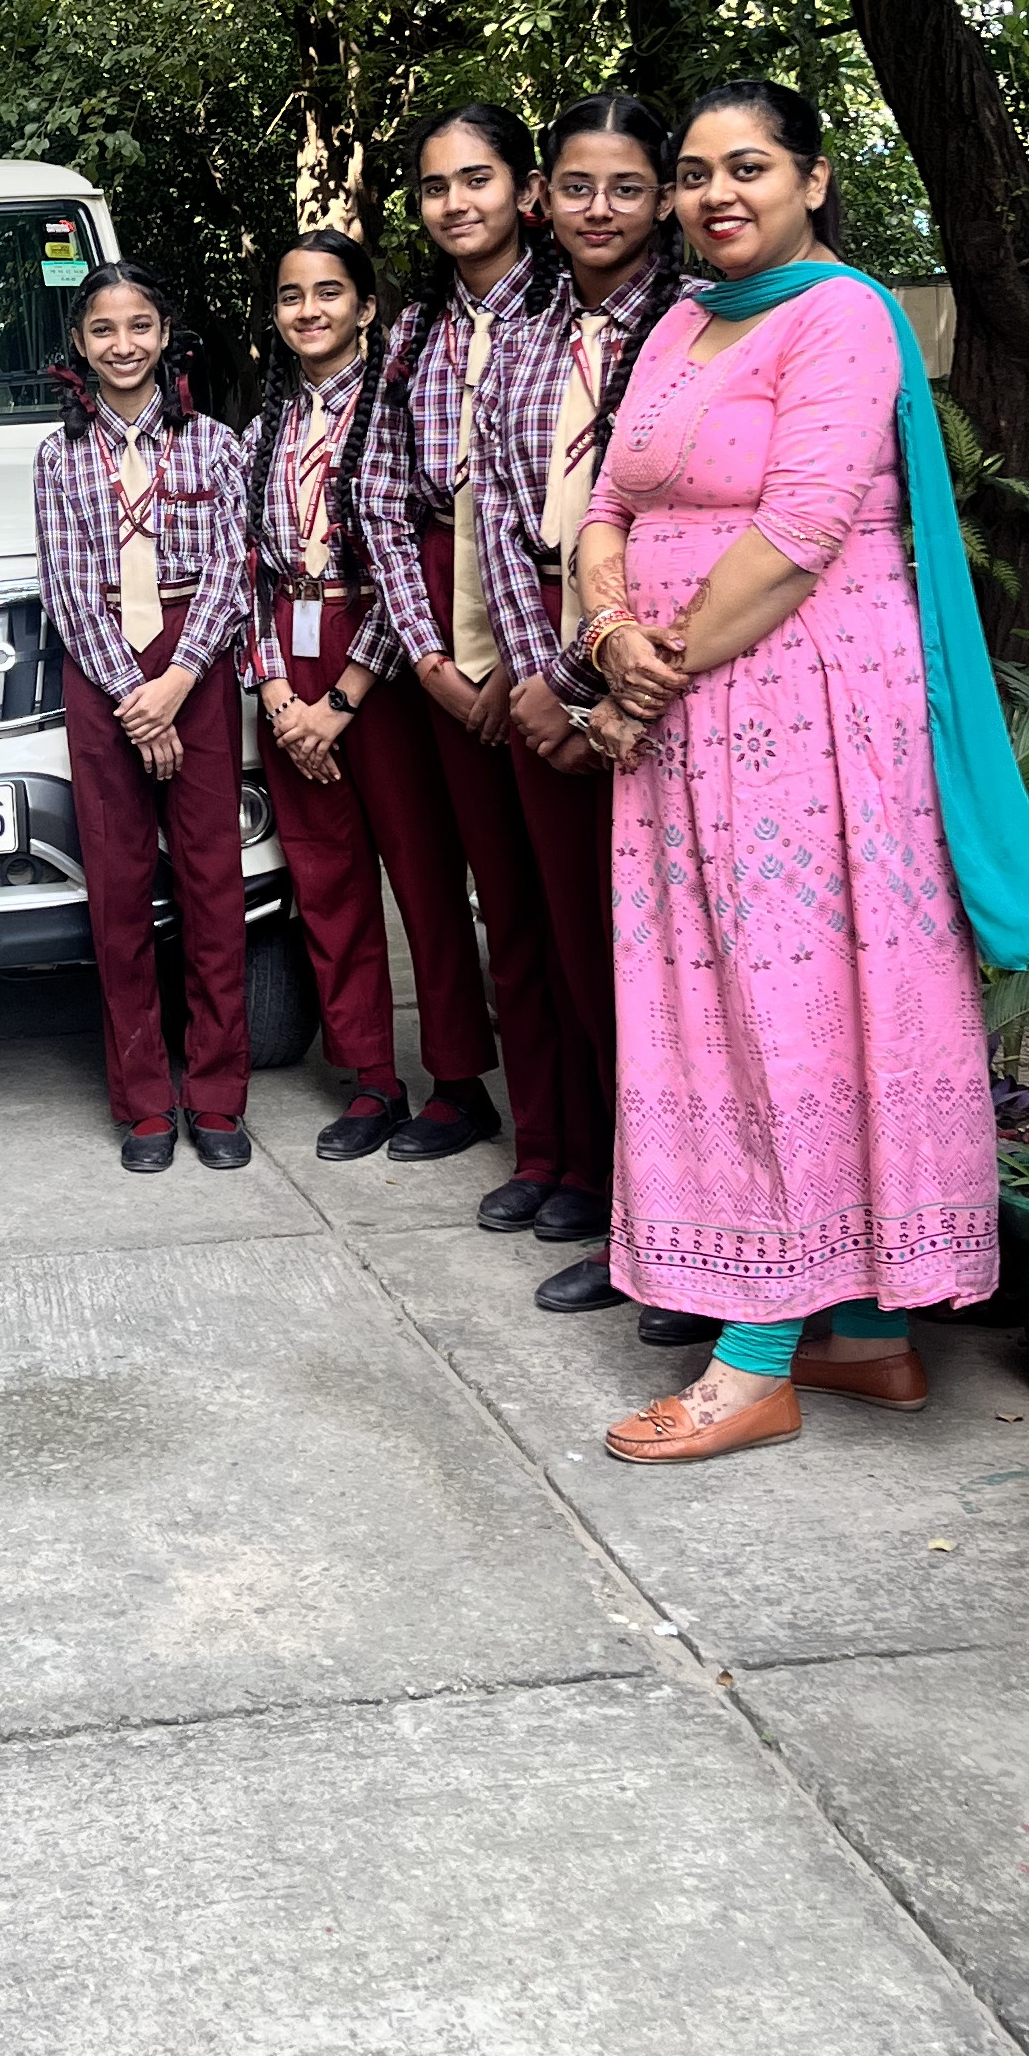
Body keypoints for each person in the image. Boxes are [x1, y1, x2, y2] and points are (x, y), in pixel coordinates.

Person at [572, 80, 1029, 1463]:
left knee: (783, 1010)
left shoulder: (843, 316)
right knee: (729, 999)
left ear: (814, 177)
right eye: (694, 173)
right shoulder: (683, 320)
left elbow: (799, 533)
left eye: (747, 167)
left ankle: (754, 1360)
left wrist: (654, 669)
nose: (715, 194)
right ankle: (861, 1335)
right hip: (686, 719)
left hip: (806, 720)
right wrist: (611, 631)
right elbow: (607, 504)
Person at [468, 94, 705, 1336]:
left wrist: (582, 682)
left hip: (664, 683)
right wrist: (536, 679)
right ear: (542, 199)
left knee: (665, 976)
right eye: (575, 186)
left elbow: (684, 527)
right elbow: (506, 520)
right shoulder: (523, 334)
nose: (598, 209)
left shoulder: (696, 322)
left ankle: (685, 1231)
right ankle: (626, 1211)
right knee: (578, 963)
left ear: (663, 197)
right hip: (545, 681)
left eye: (624, 186)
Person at [243, 232, 502, 1163]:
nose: (308, 310)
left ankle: (459, 1083)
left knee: (422, 878)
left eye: (328, 292)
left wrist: (343, 699)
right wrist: (278, 692)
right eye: (290, 295)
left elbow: (405, 566)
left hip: (381, 668)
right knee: (326, 881)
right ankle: (370, 1078)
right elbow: (245, 571)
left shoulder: (399, 409)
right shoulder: (262, 430)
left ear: (363, 307)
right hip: (291, 661)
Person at [31, 261, 256, 1173]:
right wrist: (135, 696)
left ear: (165, 336)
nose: (122, 345)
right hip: (104, 676)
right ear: (80, 345)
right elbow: (65, 585)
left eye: (139, 326)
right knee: (119, 892)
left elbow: (233, 570)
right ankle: (145, 1101)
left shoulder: (216, 444)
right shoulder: (58, 457)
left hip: (193, 663)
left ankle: (218, 1094)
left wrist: (177, 682)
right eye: (103, 329)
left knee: (213, 885)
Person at [357, 104, 546, 1185]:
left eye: (477, 179)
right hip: (436, 599)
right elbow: (382, 504)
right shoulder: (415, 335)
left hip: (543, 607)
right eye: (435, 187)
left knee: (546, 893)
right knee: (464, 880)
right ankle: (492, 1107)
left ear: (525, 190)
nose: (455, 203)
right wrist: (427, 657)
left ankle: (580, 1140)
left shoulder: (566, 312)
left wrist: (524, 658)